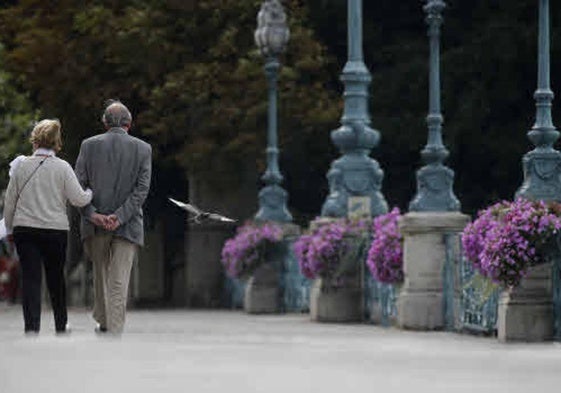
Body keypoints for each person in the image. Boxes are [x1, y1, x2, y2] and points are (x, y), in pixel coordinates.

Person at [3, 119, 93, 334]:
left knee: (31, 279)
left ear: (35, 140)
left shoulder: (21, 166)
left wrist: (9, 228)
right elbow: (79, 199)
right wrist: (90, 192)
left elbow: (10, 201)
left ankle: (32, 327)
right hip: (55, 231)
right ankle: (61, 325)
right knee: (56, 278)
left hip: (26, 230)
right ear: (56, 142)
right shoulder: (62, 167)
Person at [75, 101, 151, 335]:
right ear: (129, 123)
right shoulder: (143, 148)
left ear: (104, 123)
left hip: (95, 225)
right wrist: (119, 217)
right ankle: (114, 327)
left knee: (101, 274)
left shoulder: (88, 146)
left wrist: (93, 215)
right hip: (128, 225)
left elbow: (78, 186)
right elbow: (141, 190)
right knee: (119, 278)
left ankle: (105, 321)